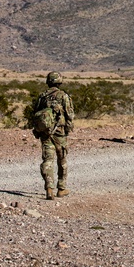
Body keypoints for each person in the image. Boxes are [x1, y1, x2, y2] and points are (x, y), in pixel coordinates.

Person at [31, 72, 75, 200]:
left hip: (45, 133)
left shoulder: (42, 97)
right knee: (62, 160)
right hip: (59, 133)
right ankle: (61, 188)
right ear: (59, 82)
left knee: (47, 160)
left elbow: (35, 114)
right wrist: (68, 127)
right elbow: (70, 115)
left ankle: (49, 188)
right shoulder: (63, 96)